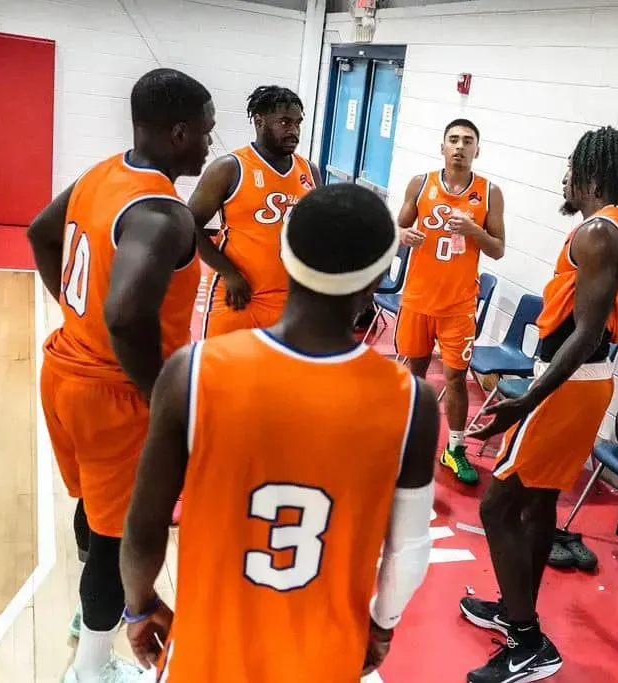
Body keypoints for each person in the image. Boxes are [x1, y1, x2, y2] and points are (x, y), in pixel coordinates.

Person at [119, 183, 439, 682]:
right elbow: (411, 549)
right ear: (380, 275)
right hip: (325, 658)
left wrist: (139, 606)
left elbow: (143, 525)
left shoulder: (193, 372)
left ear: (284, 255)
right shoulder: (414, 403)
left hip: (207, 655)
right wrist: (381, 626)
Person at [27, 67, 214, 683]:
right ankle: (91, 668)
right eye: (206, 133)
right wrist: (162, 396)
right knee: (116, 541)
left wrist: (73, 311)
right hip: (113, 392)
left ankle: (90, 618)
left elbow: (40, 232)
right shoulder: (164, 214)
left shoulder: (103, 172)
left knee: (95, 513)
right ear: (179, 132)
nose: (211, 144)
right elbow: (128, 315)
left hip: (65, 368)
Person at [460, 126, 618, 683]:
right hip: (581, 383)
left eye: (570, 168)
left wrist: (524, 403)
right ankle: (516, 608)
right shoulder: (610, 229)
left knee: (496, 506)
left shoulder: (597, 234)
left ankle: (528, 642)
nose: (564, 177)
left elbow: (588, 332)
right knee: (538, 503)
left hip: (570, 386)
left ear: (592, 172)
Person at [395, 118, 506, 486]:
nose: (460, 146)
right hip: (418, 299)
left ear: (478, 149)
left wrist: (475, 231)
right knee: (415, 372)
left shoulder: (490, 192)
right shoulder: (420, 183)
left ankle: (454, 448)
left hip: (459, 304)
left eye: (467, 141)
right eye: (453, 140)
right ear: (442, 146)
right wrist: (403, 235)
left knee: (456, 379)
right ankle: (409, 436)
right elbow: (397, 228)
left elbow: (499, 250)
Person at [188, 84, 323, 339]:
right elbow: (188, 225)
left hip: (287, 298)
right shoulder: (229, 167)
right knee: (219, 374)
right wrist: (229, 273)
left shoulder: (310, 171)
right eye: (284, 122)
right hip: (237, 293)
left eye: (298, 123)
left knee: (273, 377)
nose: (294, 131)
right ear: (259, 122)